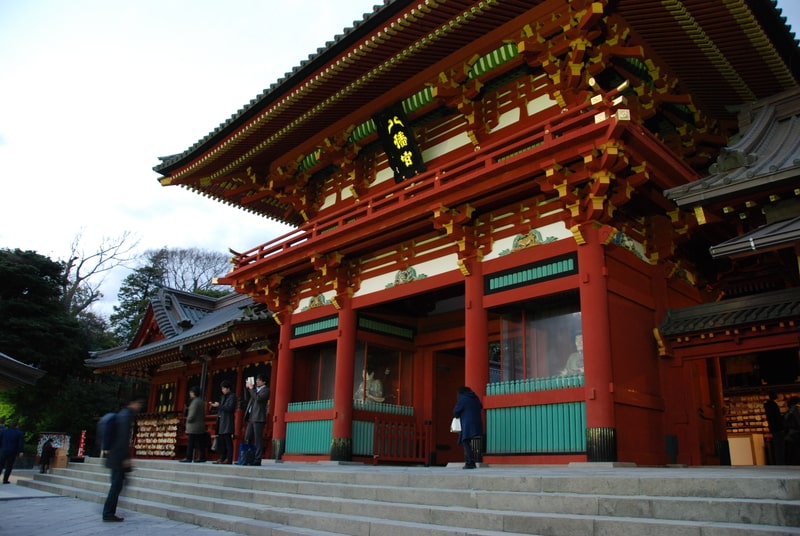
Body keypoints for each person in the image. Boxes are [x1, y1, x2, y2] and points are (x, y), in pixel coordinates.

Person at [102, 395, 144, 522]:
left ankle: (109, 511)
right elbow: (122, 439)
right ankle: (108, 512)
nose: (139, 406)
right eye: (138, 403)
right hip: (118, 457)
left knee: (116, 484)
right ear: (132, 403)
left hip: (114, 456)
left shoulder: (122, 415)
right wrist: (125, 457)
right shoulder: (126, 417)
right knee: (116, 486)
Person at [453, 386, 483, 469]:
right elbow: (480, 406)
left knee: (465, 442)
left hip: (467, 424)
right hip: (477, 423)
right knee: (472, 442)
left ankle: (470, 462)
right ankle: (471, 461)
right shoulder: (475, 397)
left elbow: (456, 412)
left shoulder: (463, 399)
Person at [244, 374, 269, 465]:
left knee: (258, 439)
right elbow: (248, 398)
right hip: (251, 417)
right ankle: (247, 457)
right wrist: (248, 388)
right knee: (247, 437)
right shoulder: (255, 390)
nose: (257, 381)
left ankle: (257, 459)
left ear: (264, 382)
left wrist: (251, 389)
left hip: (259, 417)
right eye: (257, 380)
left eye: (259, 380)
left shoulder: (266, 390)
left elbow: (258, 398)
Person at [209, 380, 236, 464]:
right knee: (221, 441)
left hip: (227, 421)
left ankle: (229, 458)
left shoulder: (232, 396)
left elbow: (230, 408)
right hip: (221, 421)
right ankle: (222, 457)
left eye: (224, 388)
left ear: (228, 388)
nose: (222, 390)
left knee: (227, 440)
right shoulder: (223, 397)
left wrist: (219, 405)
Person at [181, 386, 207, 463]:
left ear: (193, 393)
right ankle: (202, 457)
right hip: (200, 425)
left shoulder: (194, 402)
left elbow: (192, 415)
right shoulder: (201, 401)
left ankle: (188, 457)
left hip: (193, 426)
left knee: (191, 442)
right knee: (199, 442)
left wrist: (187, 420)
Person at [0, 419, 25, 484]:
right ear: (17, 426)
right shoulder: (19, 433)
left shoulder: (3, 431)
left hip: (3, 450)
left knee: (0, 465)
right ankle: (5, 480)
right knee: (9, 466)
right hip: (12, 451)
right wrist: (21, 451)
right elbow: (20, 443)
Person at [764, 393, 785, 465]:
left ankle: (779, 462)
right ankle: (781, 462)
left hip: (774, 429)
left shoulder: (767, 405)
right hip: (778, 428)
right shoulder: (773, 405)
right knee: (780, 447)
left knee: (777, 447)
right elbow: (777, 417)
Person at [784, 396, 800, 465]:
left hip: (790, 434)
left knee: (792, 453)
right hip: (797, 433)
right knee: (797, 452)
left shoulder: (789, 411)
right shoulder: (796, 409)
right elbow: (799, 421)